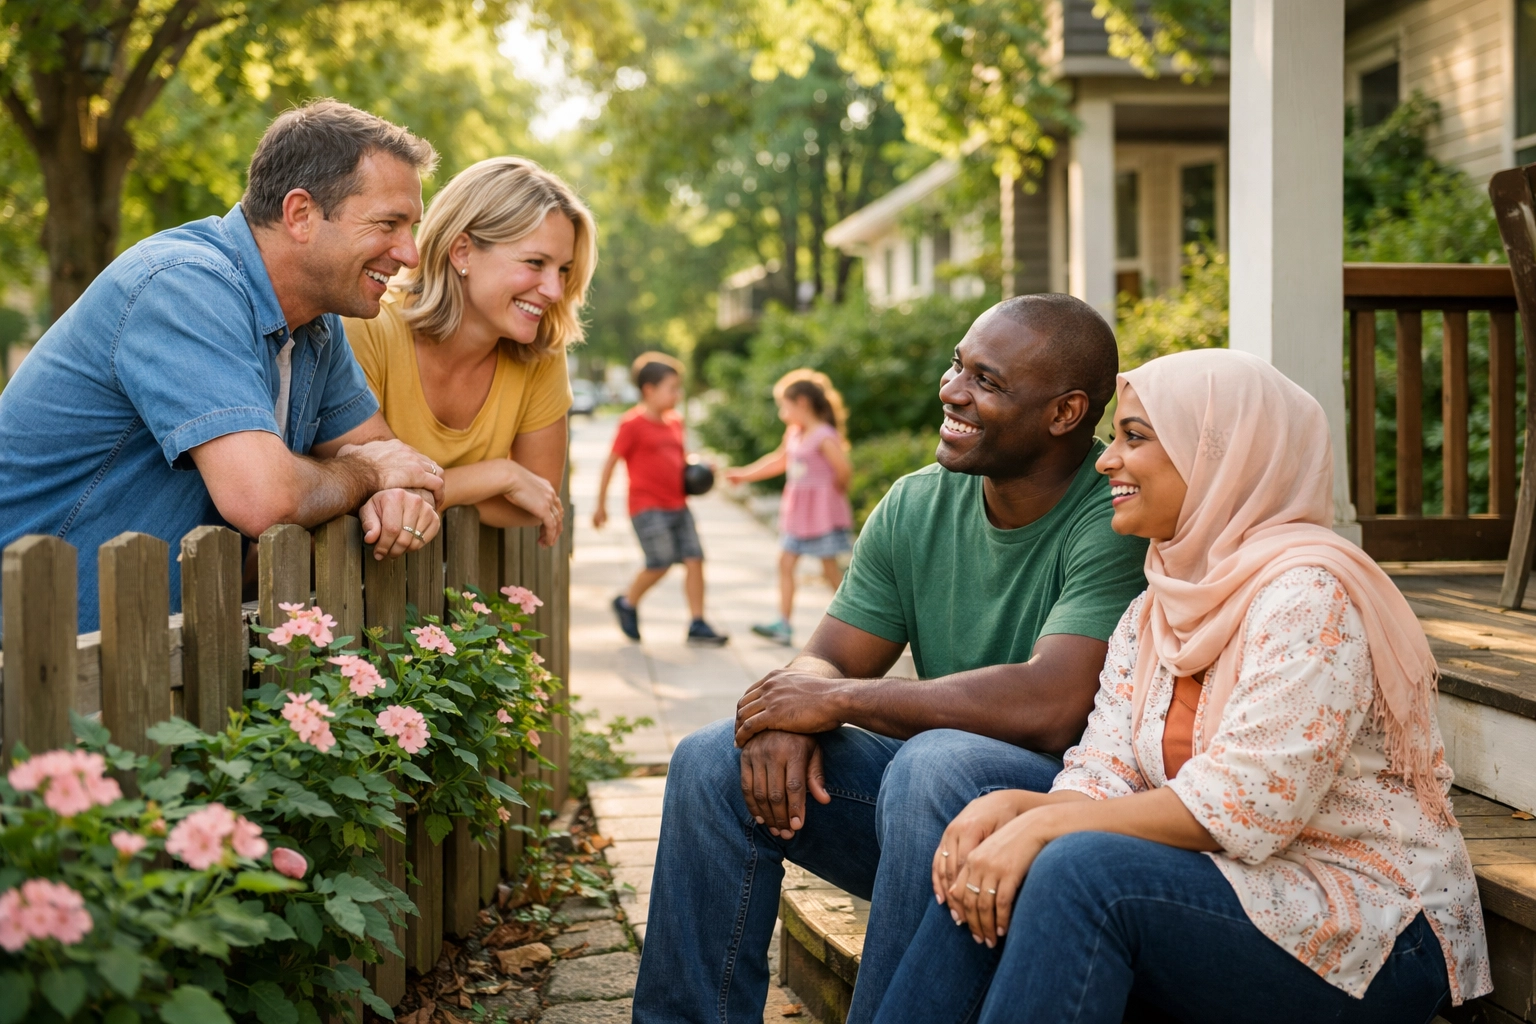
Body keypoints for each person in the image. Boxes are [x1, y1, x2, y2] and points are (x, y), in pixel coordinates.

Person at [873, 348, 1492, 1024]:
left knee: (1074, 868)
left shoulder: (1309, 596)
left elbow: (1247, 804)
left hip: (1367, 929)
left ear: (1218, 458)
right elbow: (1105, 765)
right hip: (1239, 890)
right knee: (997, 859)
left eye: (1134, 437)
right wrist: (1019, 810)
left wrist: (1045, 825)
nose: (1106, 459)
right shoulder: (1156, 607)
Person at [631, 294, 1151, 1024]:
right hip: (925, 822)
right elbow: (830, 656)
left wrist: (837, 702)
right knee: (712, 761)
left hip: (1058, 820)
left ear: (1065, 414)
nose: (952, 391)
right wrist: (791, 711)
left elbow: (1051, 705)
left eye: (988, 382)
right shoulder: (917, 503)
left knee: (938, 761)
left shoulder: (1117, 512)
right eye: (956, 365)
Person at [0, 99, 445, 632]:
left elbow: (389, 454)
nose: (411, 254)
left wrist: (394, 492)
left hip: (139, 655)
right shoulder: (181, 287)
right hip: (33, 650)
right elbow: (265, 498)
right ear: (300, 213)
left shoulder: (316, 327)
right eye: (389, 224)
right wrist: (370, 475)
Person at [344, 157, 594, 544]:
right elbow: (358, 491)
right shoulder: (368, 328)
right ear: (462, 251)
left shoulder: (540, 353)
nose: (555, 290)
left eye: (563, 269)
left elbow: (538, 501)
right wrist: (498, 475)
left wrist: (428, 494)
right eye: (535, 262)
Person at [592, 353, 729, 645]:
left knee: (695, 559)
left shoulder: (676, 422)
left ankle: (698, 623)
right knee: (660, 562)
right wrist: (601, 505)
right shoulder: (632, 424)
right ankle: (627, 602)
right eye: (672, 388)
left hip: (678, 504)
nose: (677, 395)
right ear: (649, 390)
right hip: (647, 507)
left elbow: (679, 458)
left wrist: (700, 466)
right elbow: (611, 462)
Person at [726, 369, 854, 647]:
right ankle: (783, 625)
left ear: (802, 403)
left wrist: (830, 497)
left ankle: (853, 624)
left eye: (784, 404)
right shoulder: (795, 433)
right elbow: (778, 461)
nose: (782, 411)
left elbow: (843, 470)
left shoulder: (823, 435)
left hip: (820, 514)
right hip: (798, 514)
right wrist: (743, 474)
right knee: (785, 563)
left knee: (829, 569)